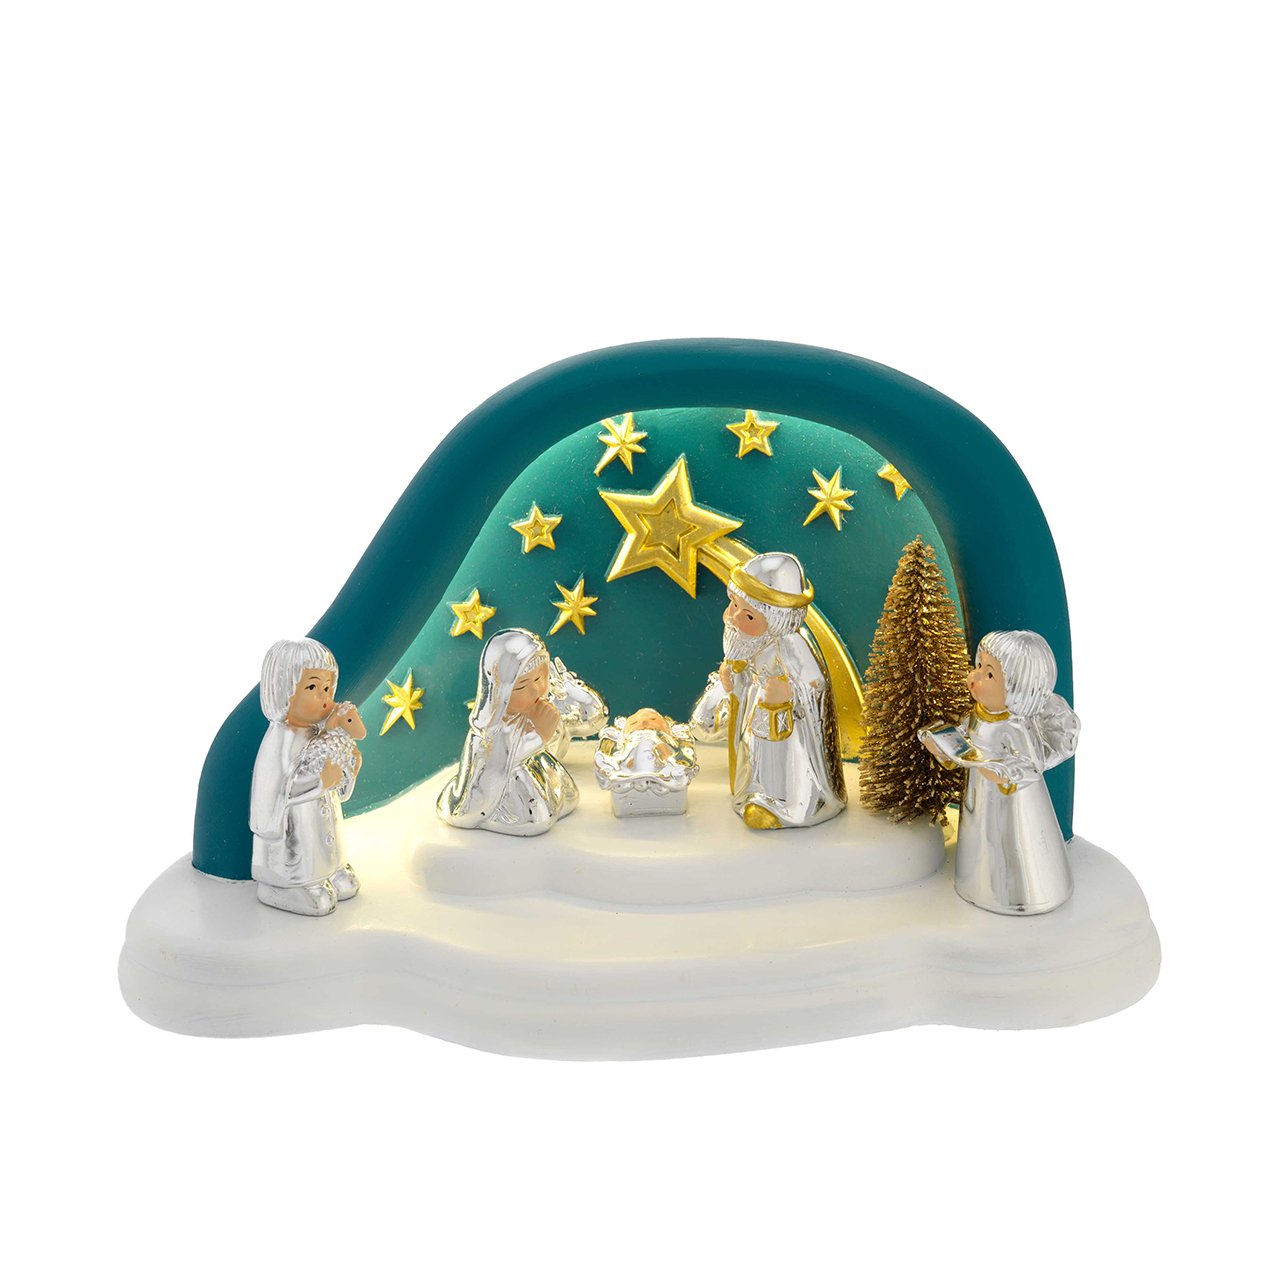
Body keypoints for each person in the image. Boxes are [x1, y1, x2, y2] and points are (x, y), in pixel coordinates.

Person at [923, 629, 1080, 915]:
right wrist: (943, 748)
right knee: (982, 842)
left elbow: (1029, 766)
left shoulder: (1015, 727)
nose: (975, 676)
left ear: (1017, 689)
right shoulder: (976, 715)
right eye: (978, 666)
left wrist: (1000, 772)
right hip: (980, 799)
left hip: (1014, 807)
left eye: (989, 674)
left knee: (1013, 845)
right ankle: (977, 885)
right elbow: (964, 744)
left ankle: (1028, 892)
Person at [690, 552, 846, 829]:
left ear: (776, 622)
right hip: (758, 719)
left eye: (748, 615)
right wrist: (733, 678)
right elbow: (744, 672)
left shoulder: (792, 645)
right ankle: (755, 793)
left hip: (788, 729)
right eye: (733, 604)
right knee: (758, 757)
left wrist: (789, 692)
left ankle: (789, 805)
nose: (733, 617)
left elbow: (815, 685)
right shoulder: (748, 641)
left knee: (782, 762)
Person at [249, 638, 361, 916]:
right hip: (292, 837)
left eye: (327, 688)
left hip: (320, 831)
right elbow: (275, 791)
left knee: (339, 874)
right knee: (315, 890)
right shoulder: (280, 740)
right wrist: (321, 781)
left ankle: (329, 871)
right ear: (283, 690)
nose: (324, 697)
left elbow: (338, 789)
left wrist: (349, 770)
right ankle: (282, 885)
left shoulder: (317, 734)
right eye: (312, 687)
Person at [437, 628, 579, 836]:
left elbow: (553, 747)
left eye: (540, 679)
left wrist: (549, 730)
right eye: (521, 687)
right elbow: (495, 769)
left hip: (533, 773)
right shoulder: (487, 733)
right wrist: (539, 735)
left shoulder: (531, 711)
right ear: (500, 691)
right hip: (501, 790)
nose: (536, 690)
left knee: (568, 797)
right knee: (538, 820)